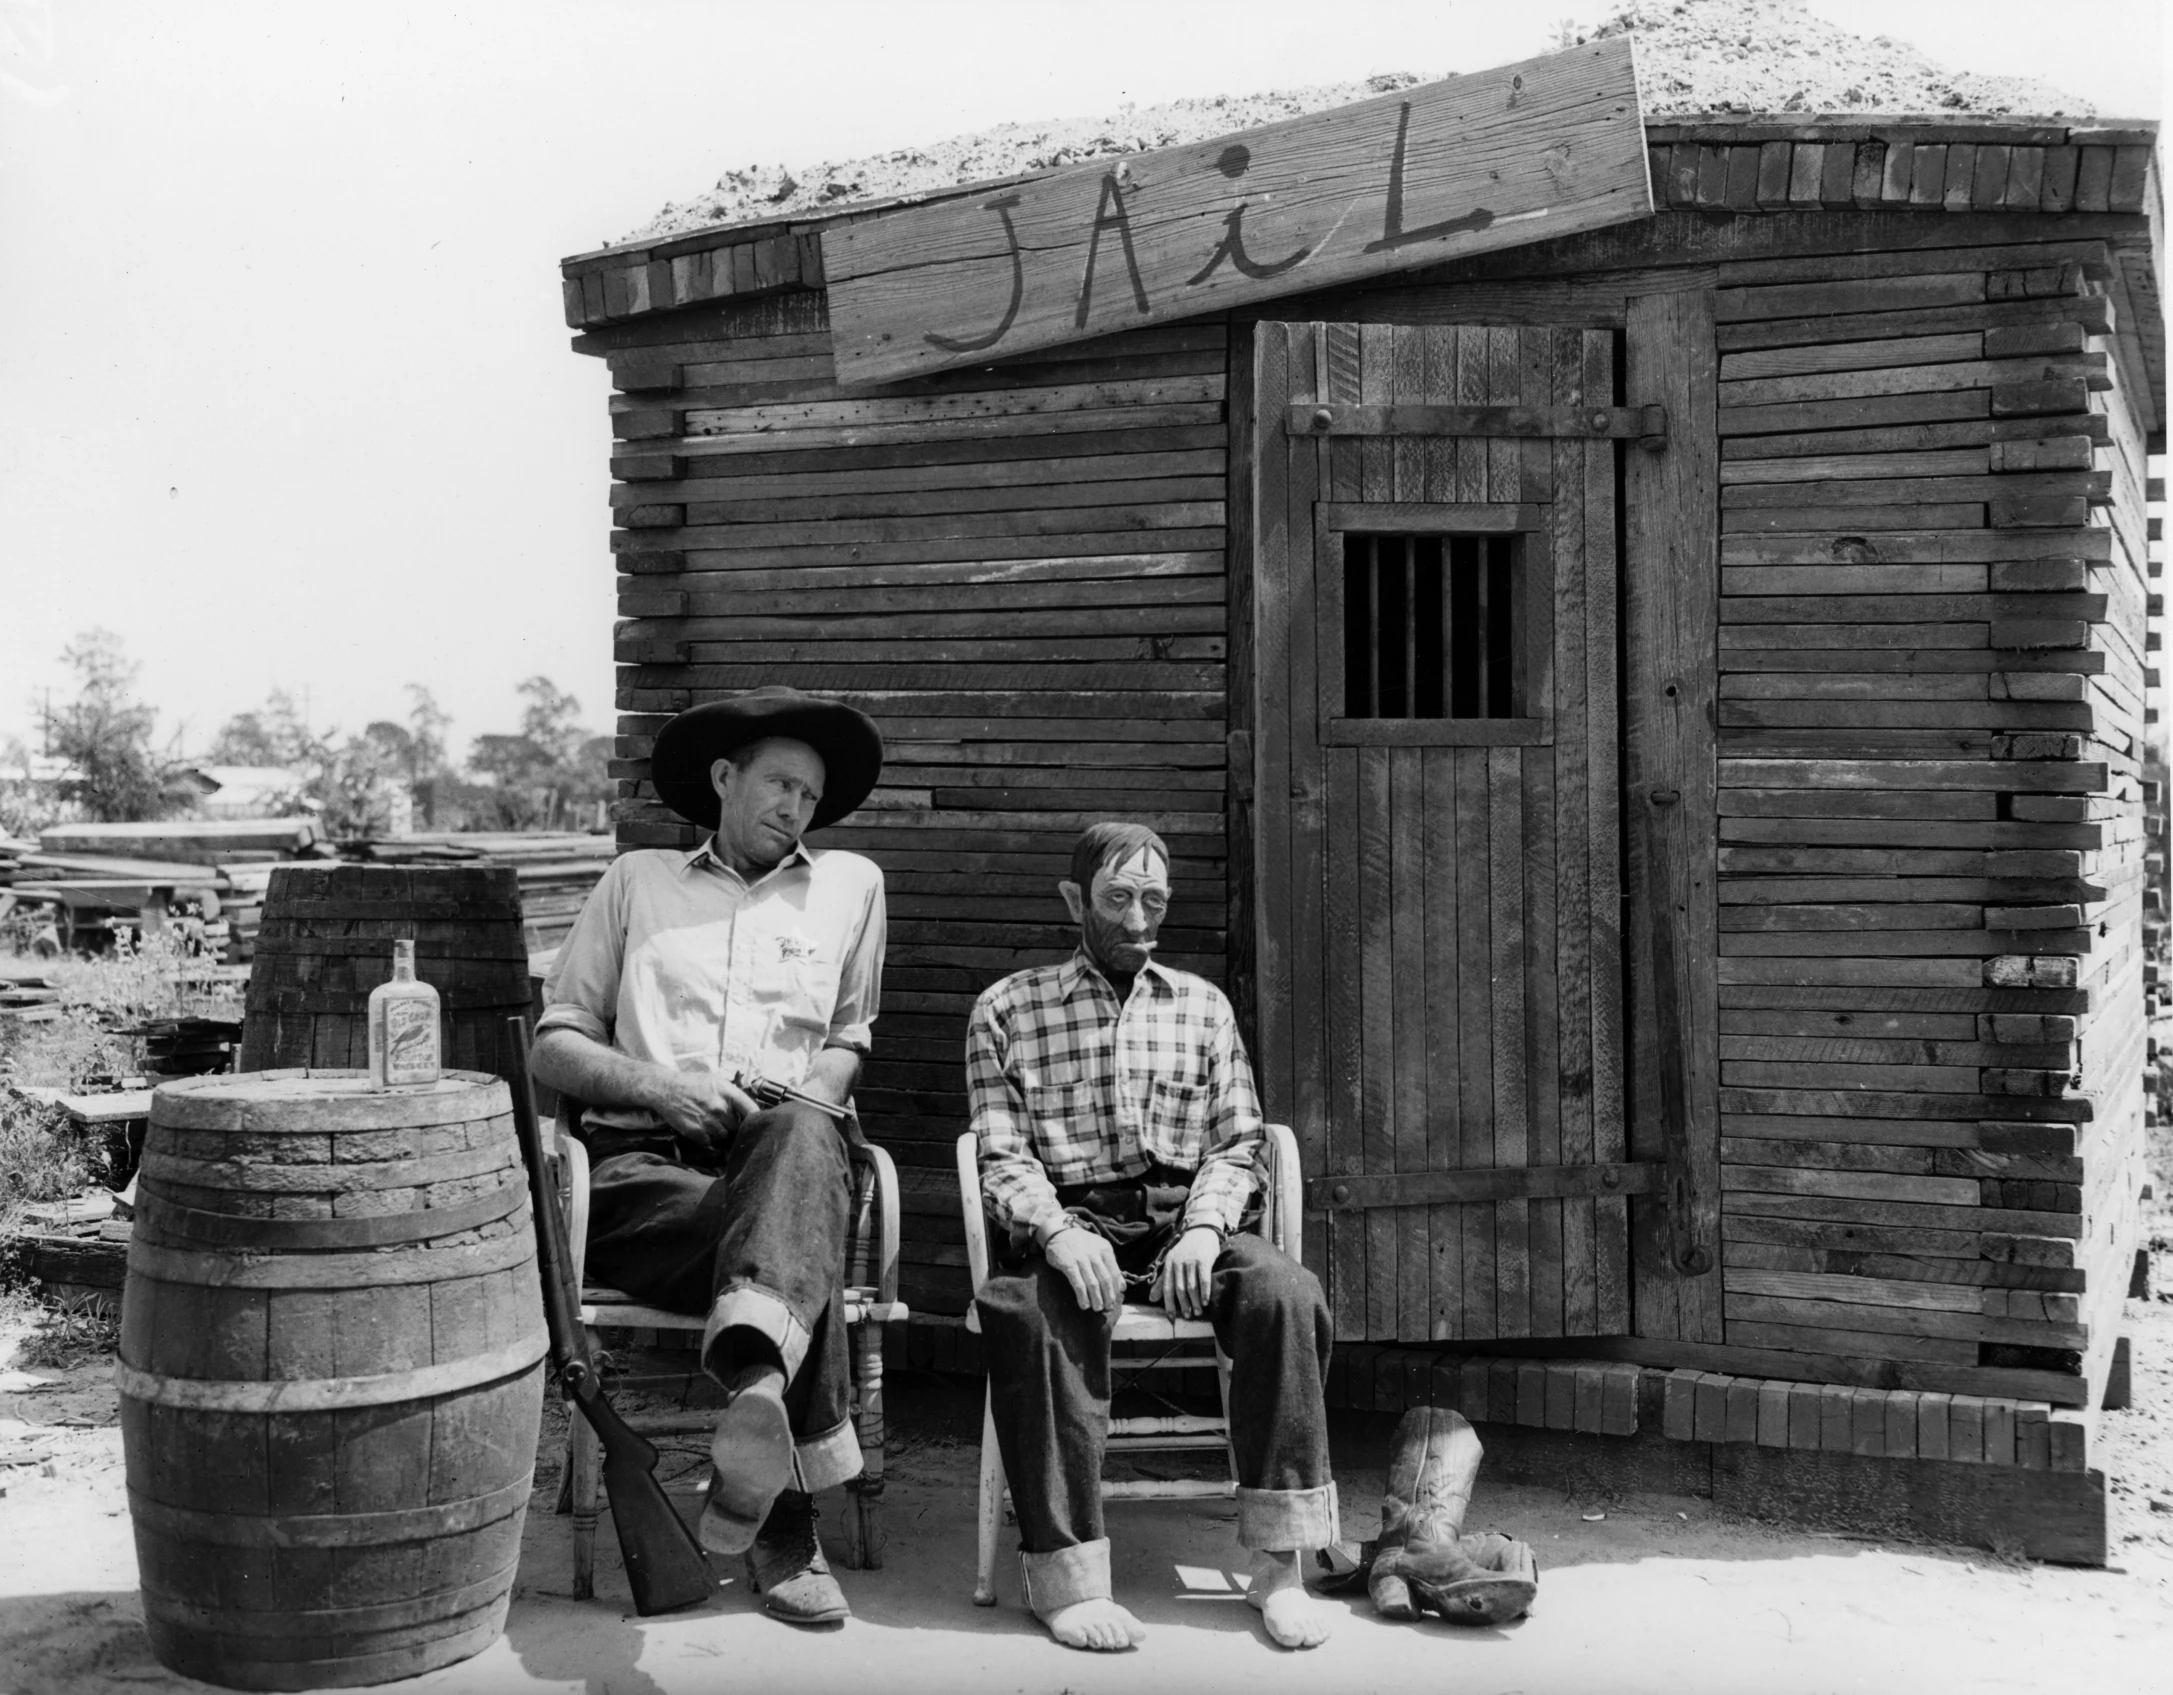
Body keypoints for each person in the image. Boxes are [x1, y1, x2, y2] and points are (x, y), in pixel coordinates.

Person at [531, 686, 886, 1628]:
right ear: (724, 779)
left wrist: (795, 1113)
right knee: (790, 1245)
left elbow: (848, 1041)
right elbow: (554, 1045)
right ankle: (778, 1501)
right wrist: (663, 1088)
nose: (794, 808)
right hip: (643, 1169)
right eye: (778, 784)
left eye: (810, 796)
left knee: (805, 1145)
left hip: (782, 1146)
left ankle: (761, 1436)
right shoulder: (636, 880)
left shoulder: (852, 887)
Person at [966, 821, 1337, 1653]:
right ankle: (1064, 1579)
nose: (1139, 918)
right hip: (1073, 1221)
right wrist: (1058, 1233)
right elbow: (999, 1150)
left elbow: (1240, 1143)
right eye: (1118, 898)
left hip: (1184, 1221)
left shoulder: (1200, 1005)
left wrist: (1205, 1229)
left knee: (1286, 1292)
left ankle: (1281, 1568)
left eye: (1154, 899)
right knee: (1025, 1314)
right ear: (1075, 900)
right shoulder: (1007, 1007)